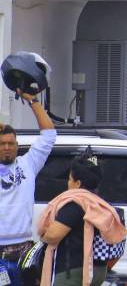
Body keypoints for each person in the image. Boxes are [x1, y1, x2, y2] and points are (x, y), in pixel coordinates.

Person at [0, 52, 56, 278]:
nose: (6, 147)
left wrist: (33, 101)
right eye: (2, 144)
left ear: (17, 145)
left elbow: (49, 135)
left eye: (11, 143)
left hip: (23, 250)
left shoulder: (28, 165)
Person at [39, 151, 126, 286]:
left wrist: (44, 235)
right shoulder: (98, 203)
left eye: (70, 179)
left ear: (78, 183)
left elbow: (53, 235)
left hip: (74, 272)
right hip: (98, 270)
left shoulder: (75, 204)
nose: (68, 183)